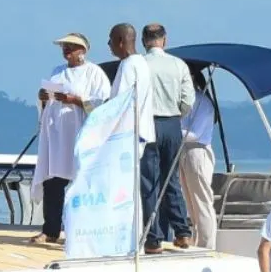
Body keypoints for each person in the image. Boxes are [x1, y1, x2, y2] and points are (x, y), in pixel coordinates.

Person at [112, 22, 194, 251]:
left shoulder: (139, 64)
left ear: (143, 41)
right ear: (164, 40)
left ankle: (153, 237)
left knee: (149, 181)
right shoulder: (178, 65)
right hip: (172, 123)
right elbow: (188, 100)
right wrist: (177, 112)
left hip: (148, 124)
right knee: (172, 179)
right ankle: (183, 232)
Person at [34, 32, 112, 244]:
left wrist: (76, 100)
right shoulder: (57, 72)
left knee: (81, 182)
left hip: (80, 132)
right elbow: (47, 99)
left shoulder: (94, 73)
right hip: (57, 133)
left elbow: (103, 103)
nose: (66, 50)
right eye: (65, 47)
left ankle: (81, 230)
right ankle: (50, 229)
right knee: (53, 182)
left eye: (71, 46)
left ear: (83, 51)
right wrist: (42, 98)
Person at [177, 60, 220, 251]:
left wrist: (170, 131)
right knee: (190, 200)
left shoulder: (203, 102)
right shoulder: (184, 102)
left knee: (202, 200)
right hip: (184, 151)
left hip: (198, 151)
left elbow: (194, 133)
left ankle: (207, 244)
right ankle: (196, 239)